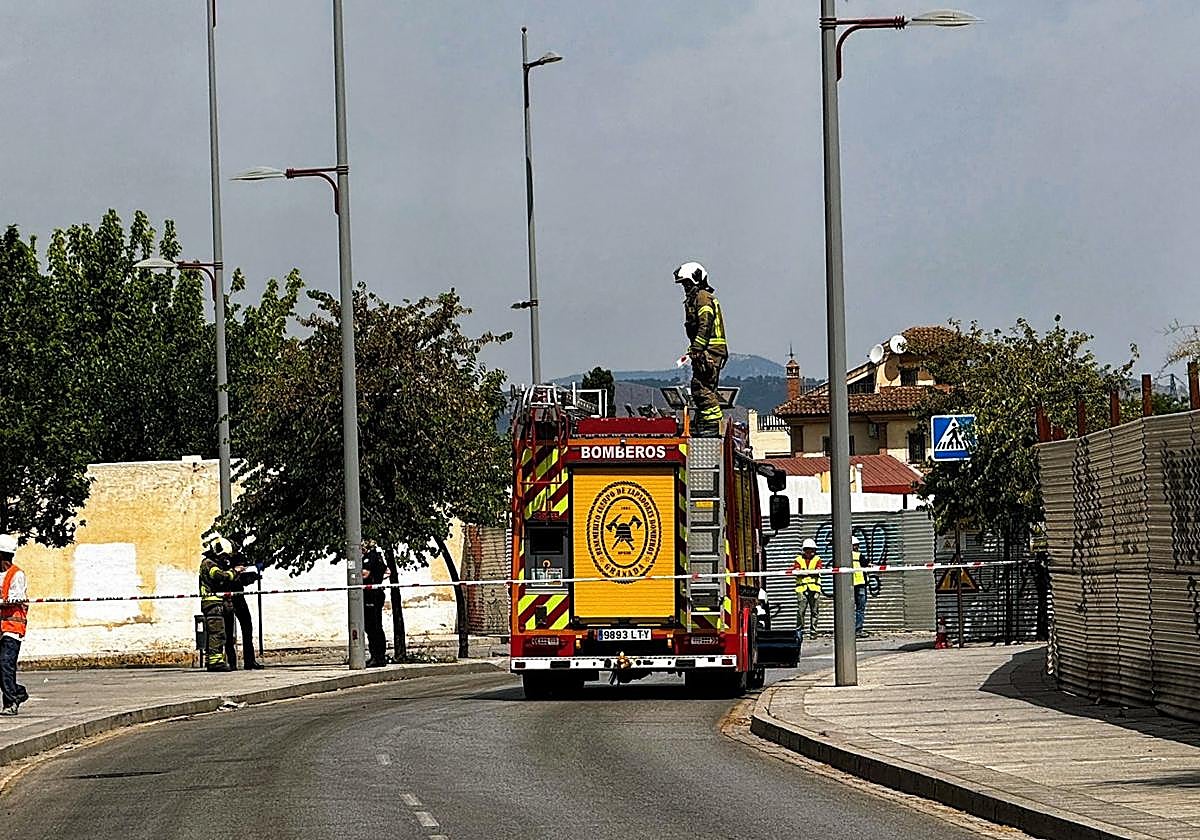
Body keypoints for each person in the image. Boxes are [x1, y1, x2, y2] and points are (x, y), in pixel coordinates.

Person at [674, 261, 728, 437]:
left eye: (686, 283)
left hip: (709, 351)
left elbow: (705, 323)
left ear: (695, 280)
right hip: (711, 350)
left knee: (700, 388)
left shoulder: (702, 298)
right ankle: (705, 423)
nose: (685, 287)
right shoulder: (699, 297)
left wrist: (697, 348)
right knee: (705, 388)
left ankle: (712, 427)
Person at [199, 534, 239, 673]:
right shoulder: (209, 564)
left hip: (218, 604)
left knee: (222, 634)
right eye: (224, 556)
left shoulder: (214, 563)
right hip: (212, 605)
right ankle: (215, 663)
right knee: (217, 634)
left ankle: (217, 660)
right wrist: (234, 572)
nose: (225, 559)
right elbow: (219, 576)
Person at [0, 535, 29, 715]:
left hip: (12, 629)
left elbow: (15, 598)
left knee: (5, 664)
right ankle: (18, 692)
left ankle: (10, 703)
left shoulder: (16, 574)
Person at [224, 561, 262, 671]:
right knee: (229, 631)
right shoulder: (222, 563)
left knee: (247, 628)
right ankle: (232, 663)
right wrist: (237, 572)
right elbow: (228, 578)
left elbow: (241, 581)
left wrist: (250, 577)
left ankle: (249, 661)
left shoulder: (236, 558)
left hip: (239, 597)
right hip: (228, 598)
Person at [789, 538, 823, 640]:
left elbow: (818, 570)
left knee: (815, 611)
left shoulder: (817, 559)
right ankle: (799, 632)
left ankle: (813, 632)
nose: (812, 552)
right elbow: (797, 570)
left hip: (814, 588)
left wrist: (804, 572)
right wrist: (807, 572)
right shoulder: (798, 559)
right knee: (801, 612)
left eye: (813, 550)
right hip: (802, 589)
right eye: (810, 550)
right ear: (805, 550)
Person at [362, 541, 389, 668]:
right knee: (374, 626)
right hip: (375, 592)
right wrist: (378, 578)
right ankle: (378, 656)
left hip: (372, 594)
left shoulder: (370, 557)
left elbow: (364, 573)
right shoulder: (378, 556)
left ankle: (377, 657)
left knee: (373, 626)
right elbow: (387, 571)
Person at [851, 535, 868, 637]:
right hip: (860, 583)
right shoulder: (858, 556)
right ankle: (858, 629)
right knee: (860, 608)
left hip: (848, 585)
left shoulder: (842, 556)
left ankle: (849, 629)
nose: (857, 547)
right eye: (856, 545)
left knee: (849, 609)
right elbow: (866, 564)